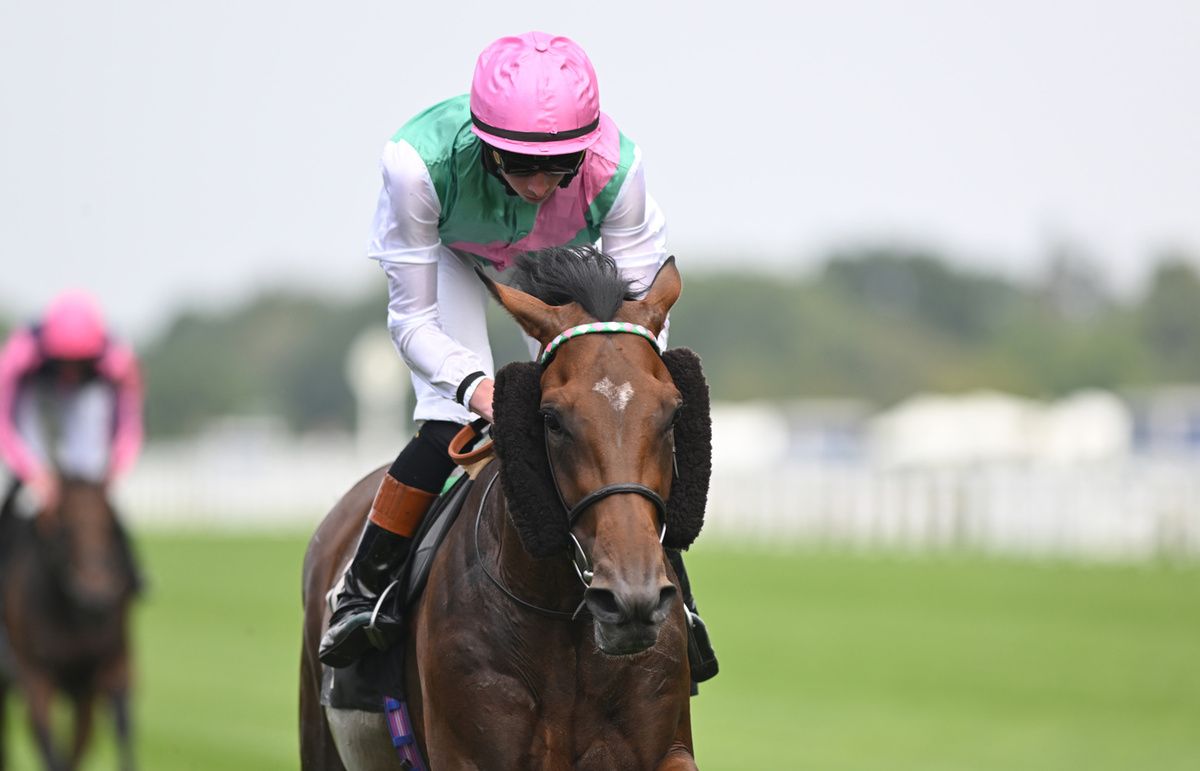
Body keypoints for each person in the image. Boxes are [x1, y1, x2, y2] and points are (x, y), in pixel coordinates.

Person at [319, 30, 718, 686]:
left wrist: (619, 392)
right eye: (518, 163)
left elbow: (647, 312)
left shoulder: (620, 170)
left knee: (626, 432)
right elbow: (413, 320)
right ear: (484, 143)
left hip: (570, 265)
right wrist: (480, 391)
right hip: (458, 256)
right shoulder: (415, 165)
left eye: (559, 167)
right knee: (452, 420)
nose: (538, 184)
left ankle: (682, 601)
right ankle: (363, 589)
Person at [0, 290, 144, 587]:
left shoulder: (118, 361)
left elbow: (129, 426)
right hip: (34, 398)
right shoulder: (20, 353)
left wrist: (110, 476)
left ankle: (132, 572)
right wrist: (35, 476)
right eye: (63, 361)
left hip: (86, 401)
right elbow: (5, 423)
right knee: (20, 500)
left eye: (79, 363)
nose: (70, 372)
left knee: (93, 496)